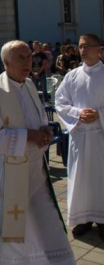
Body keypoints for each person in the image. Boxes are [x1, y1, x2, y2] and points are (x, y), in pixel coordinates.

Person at [0, 40, 74, 265]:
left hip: (34, 170)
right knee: (4, 229)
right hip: (5, 173)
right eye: (21, 58)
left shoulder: (29, 85)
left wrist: (44, 132)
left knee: (45, 221)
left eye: (29, 57)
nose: (28, 62)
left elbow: (39, 117)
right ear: (5, 62)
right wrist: (29, 136)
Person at [55, 34, 104, 240]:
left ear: (99, 50)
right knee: (80, 180)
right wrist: (78, 114)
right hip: (80, 137)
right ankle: (83, 219)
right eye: (80, 46)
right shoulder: (72, 76)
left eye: (87, 46)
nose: (82, 50)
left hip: (101, 137)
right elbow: (60, 102)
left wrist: (100, 114)